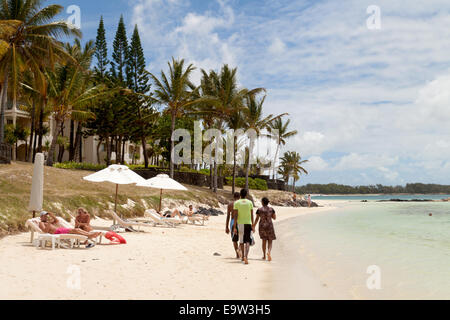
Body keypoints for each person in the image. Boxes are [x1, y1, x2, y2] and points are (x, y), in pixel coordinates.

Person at [233, 189, 255, 265]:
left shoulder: (237, 203)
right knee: (248, 241)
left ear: (240, 194)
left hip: (240, 224)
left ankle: (242, 257)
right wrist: (253, 225)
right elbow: (252, 214)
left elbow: (235, 215)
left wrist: (235, 226)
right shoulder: (250, 203)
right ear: (246, 194)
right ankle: (246, 256)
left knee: (241, 240)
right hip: (248, 223)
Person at [226, 192, 241, 259]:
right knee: (241, 238)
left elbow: (228, 216)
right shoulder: (241, 204)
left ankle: (237, 254)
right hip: (241, 221)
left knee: (234, 239)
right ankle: (240, 250)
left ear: (233, 197)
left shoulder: (230, 204)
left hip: (232, 221)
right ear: (239, 197)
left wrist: (226, 227)